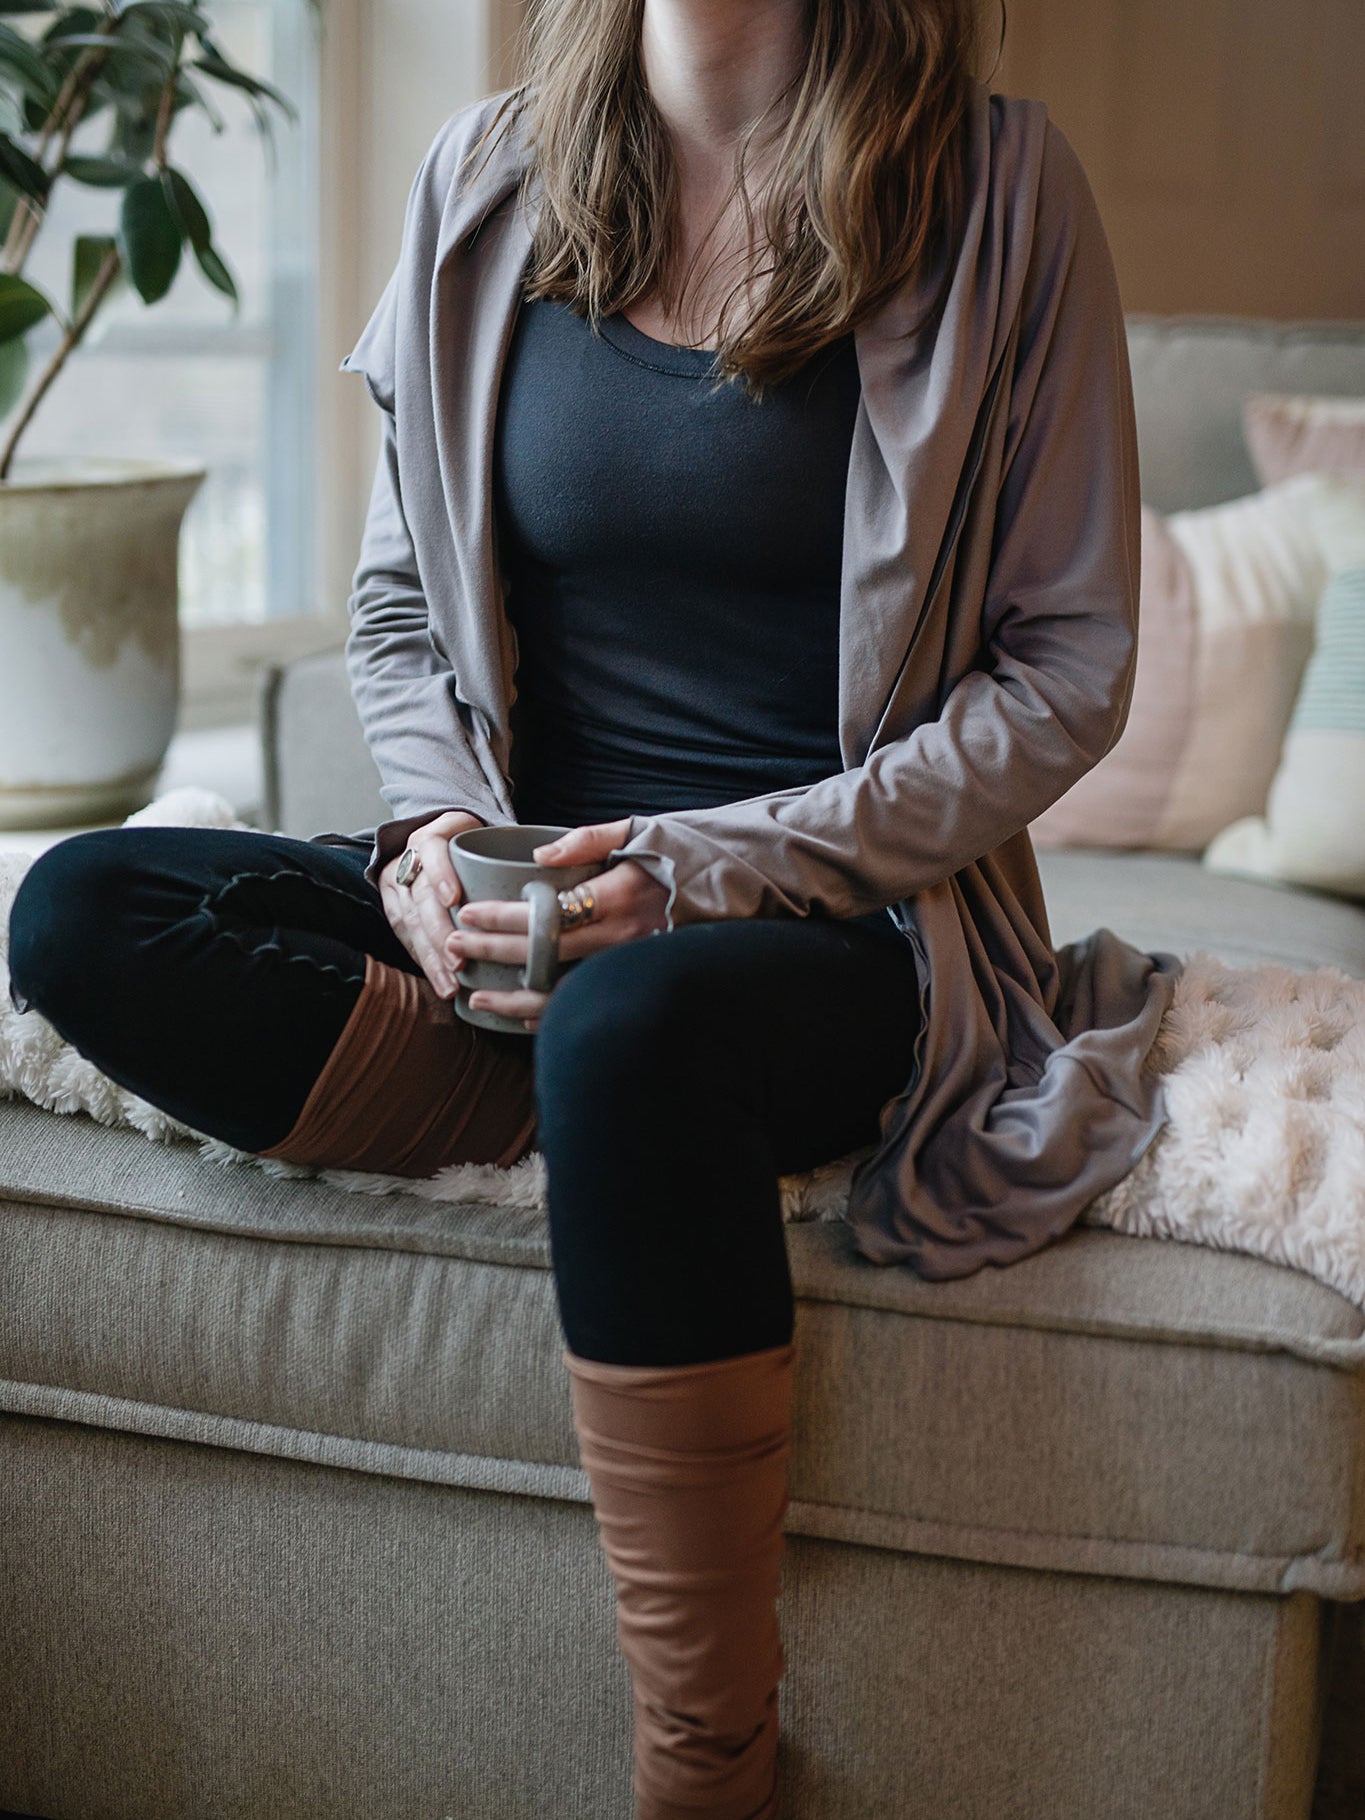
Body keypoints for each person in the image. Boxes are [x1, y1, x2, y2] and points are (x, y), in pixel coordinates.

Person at [7, 1, 1183, 1814]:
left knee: (636, 1025)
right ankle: (568, 1089)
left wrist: (696, 872)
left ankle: (708, 1766)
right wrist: (432, 843)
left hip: (833, 920)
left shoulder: (998, 190)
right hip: (524, 891)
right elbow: (397, 609)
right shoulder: (483, 179)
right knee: (83, 906)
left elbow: (1063, 673)